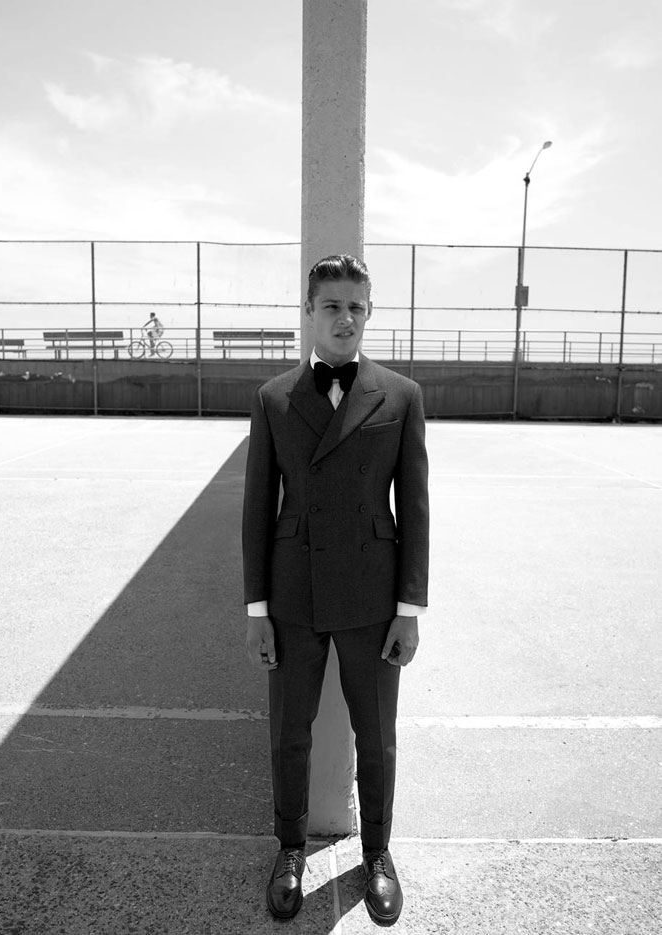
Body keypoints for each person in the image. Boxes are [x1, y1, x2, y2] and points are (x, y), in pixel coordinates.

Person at [242, 254, 429, 925]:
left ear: (369, 311)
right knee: (289, 732)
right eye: (331, 306)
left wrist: (409, 608)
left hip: (373, 596)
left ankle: (376, 853)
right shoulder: (273, 398)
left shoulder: (400, 395)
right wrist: (257, 609)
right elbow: (257, 509)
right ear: (309, 312)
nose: (344, 318)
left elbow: (415, 507)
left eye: (355, 306)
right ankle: (290, 849)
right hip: (293, 591)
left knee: (375, 734)